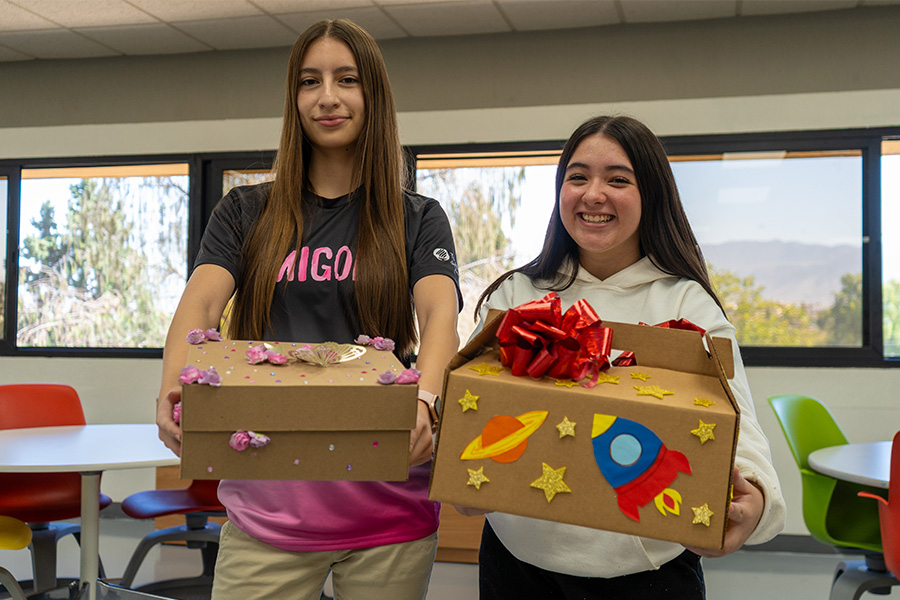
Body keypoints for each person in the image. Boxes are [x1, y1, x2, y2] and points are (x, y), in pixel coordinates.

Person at [155, 19, 461, 600]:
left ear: (373, 95)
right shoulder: (246, 211)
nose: (327, 97)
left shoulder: (418, 218)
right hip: (268, 516)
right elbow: (200, 301)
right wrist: (171, 386)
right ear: (293, 99)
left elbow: (440, 317)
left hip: (389, 513)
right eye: (309, 81)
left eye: (347, 79)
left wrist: (428, 398)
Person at [468, 115, 786, 599]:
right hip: (516, 564)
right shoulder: (518, 294)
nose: (593, 194)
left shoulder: (686, 304)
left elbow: (735, 425)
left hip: (648, 575)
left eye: (618, 179)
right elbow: (470, 405)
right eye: (578, 177)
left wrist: (756, 498)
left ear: (651, 196)